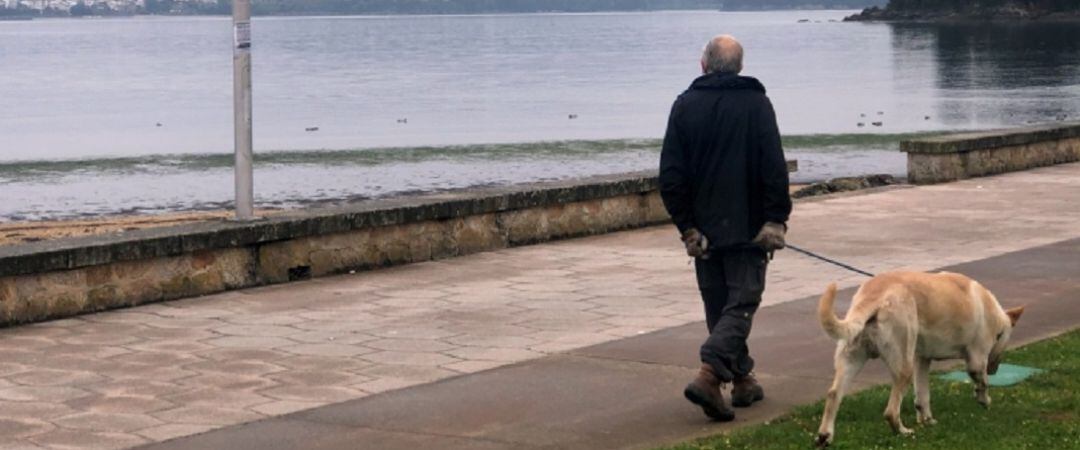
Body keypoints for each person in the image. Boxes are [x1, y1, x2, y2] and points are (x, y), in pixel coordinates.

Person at [658, 35, 792, 422]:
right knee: (740, 305)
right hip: (748, 229)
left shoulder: (684, 106)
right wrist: (775, 218)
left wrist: (687, 227)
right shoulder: (756, 104)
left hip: (708, 232)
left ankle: (743, 379)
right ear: (740, 67)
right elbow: (774, 167)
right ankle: (709, 373)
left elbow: (670, 177)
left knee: (721, 307)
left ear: (703, 65)